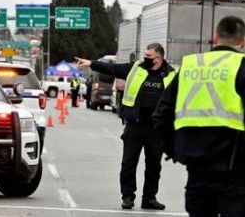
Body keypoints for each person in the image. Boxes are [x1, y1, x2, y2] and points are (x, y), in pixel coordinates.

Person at [153, 16, 245, 216]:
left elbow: (161, 115)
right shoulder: (242, 66)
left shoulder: (190, 65)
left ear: (215, 38)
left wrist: (176, 150)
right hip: (234, 169)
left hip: (196, 167)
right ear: (243, 42)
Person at [76, 43, 177, 210]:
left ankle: (149, 198)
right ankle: (128, 196)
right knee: (128, 163)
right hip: (135, 125)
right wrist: (91, 63)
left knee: (154, 166)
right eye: (145, 55)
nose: (145, 59)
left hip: (156, 128)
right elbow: (113, 68)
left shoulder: (171, 75)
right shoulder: (136, 68)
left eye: (149, 57)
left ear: (158, 59)